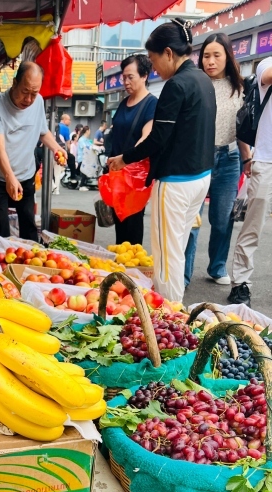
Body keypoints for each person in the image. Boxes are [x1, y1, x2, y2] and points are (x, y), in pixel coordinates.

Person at [108, 19, 216, 303]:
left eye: (154, 60)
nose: (153, 68)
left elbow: (157, 138)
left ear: (168, 53)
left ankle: (170, 315)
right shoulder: (203, 80)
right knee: (176, 250)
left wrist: (124, 159)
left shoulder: (176, 85)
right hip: (200, 178)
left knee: (166, 256)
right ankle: (171, 309)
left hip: (176, 182)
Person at [184, 34, 250, 288]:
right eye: (206, 56)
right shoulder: (196, 84)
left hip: (229, 158)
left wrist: (247, 158)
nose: (210, 61)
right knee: (192, 219)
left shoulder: (241, 87)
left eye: (216, 55)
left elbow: (242, 126)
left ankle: (217, 266)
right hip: (199, 157)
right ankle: (184, 274)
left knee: (223, 219)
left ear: (228, 56)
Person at [0, 61, 65, 240]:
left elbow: (43, 132)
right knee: (1, 227)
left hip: (26, 175)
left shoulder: (38, 103)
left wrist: (57, 148)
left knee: (29, 223)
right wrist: (9, 177)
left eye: (34, 94)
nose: (28, 99)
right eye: (24, 92)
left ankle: (29, 265)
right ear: (14, 83)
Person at [227, 58, 272, 305]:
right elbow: (267, 76)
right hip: (266, 162)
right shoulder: (267, 64)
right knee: (252, 227)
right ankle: (241, 283)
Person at [109, 54, 158, 246]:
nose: (126, 82)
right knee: (119, 224)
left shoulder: (151, 104)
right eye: (124, 77)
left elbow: (147, 137)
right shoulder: (123, 103)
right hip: (116, 174)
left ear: (144, 75)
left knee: (133, 225)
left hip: (135, 176)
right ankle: (120, 268)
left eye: (131, 77)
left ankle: (132, 271)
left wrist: (126, 159)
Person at [58, 113, 78, 181]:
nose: (70, 121)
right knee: (72, 158)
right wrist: (69, 151)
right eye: (69, 120)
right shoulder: (65, 128)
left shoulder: (56, 126)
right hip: (61, 150)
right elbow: (68, 142)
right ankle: (73, 177)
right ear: (64, 120)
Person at [76, 126, 92, 191]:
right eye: (89, 130)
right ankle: (81, 186)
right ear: (87, 131)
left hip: (86, 158)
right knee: (83, 172)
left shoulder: (87, 140)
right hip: (82, 158)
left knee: (85, 172)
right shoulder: (82, 140)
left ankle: (83, 185)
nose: (90, 132)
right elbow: (85, 147)